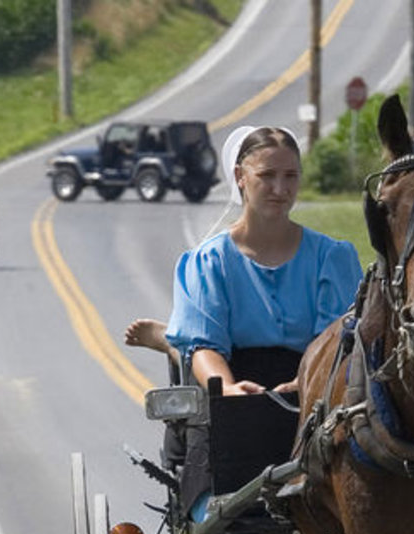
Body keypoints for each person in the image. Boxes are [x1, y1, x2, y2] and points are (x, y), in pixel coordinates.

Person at [124, 126, 362, 394]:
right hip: (233, 380)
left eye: (291, 176)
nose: (280, 189)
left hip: (315, 385)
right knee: (196, 354)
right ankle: (177, 342)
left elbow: (337, 340)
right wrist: (228, 388)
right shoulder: (210, 262)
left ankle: (174, 339)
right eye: (267, 175)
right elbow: (206, 345)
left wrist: (304, 382)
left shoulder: (331, 258)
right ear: (240, 177)